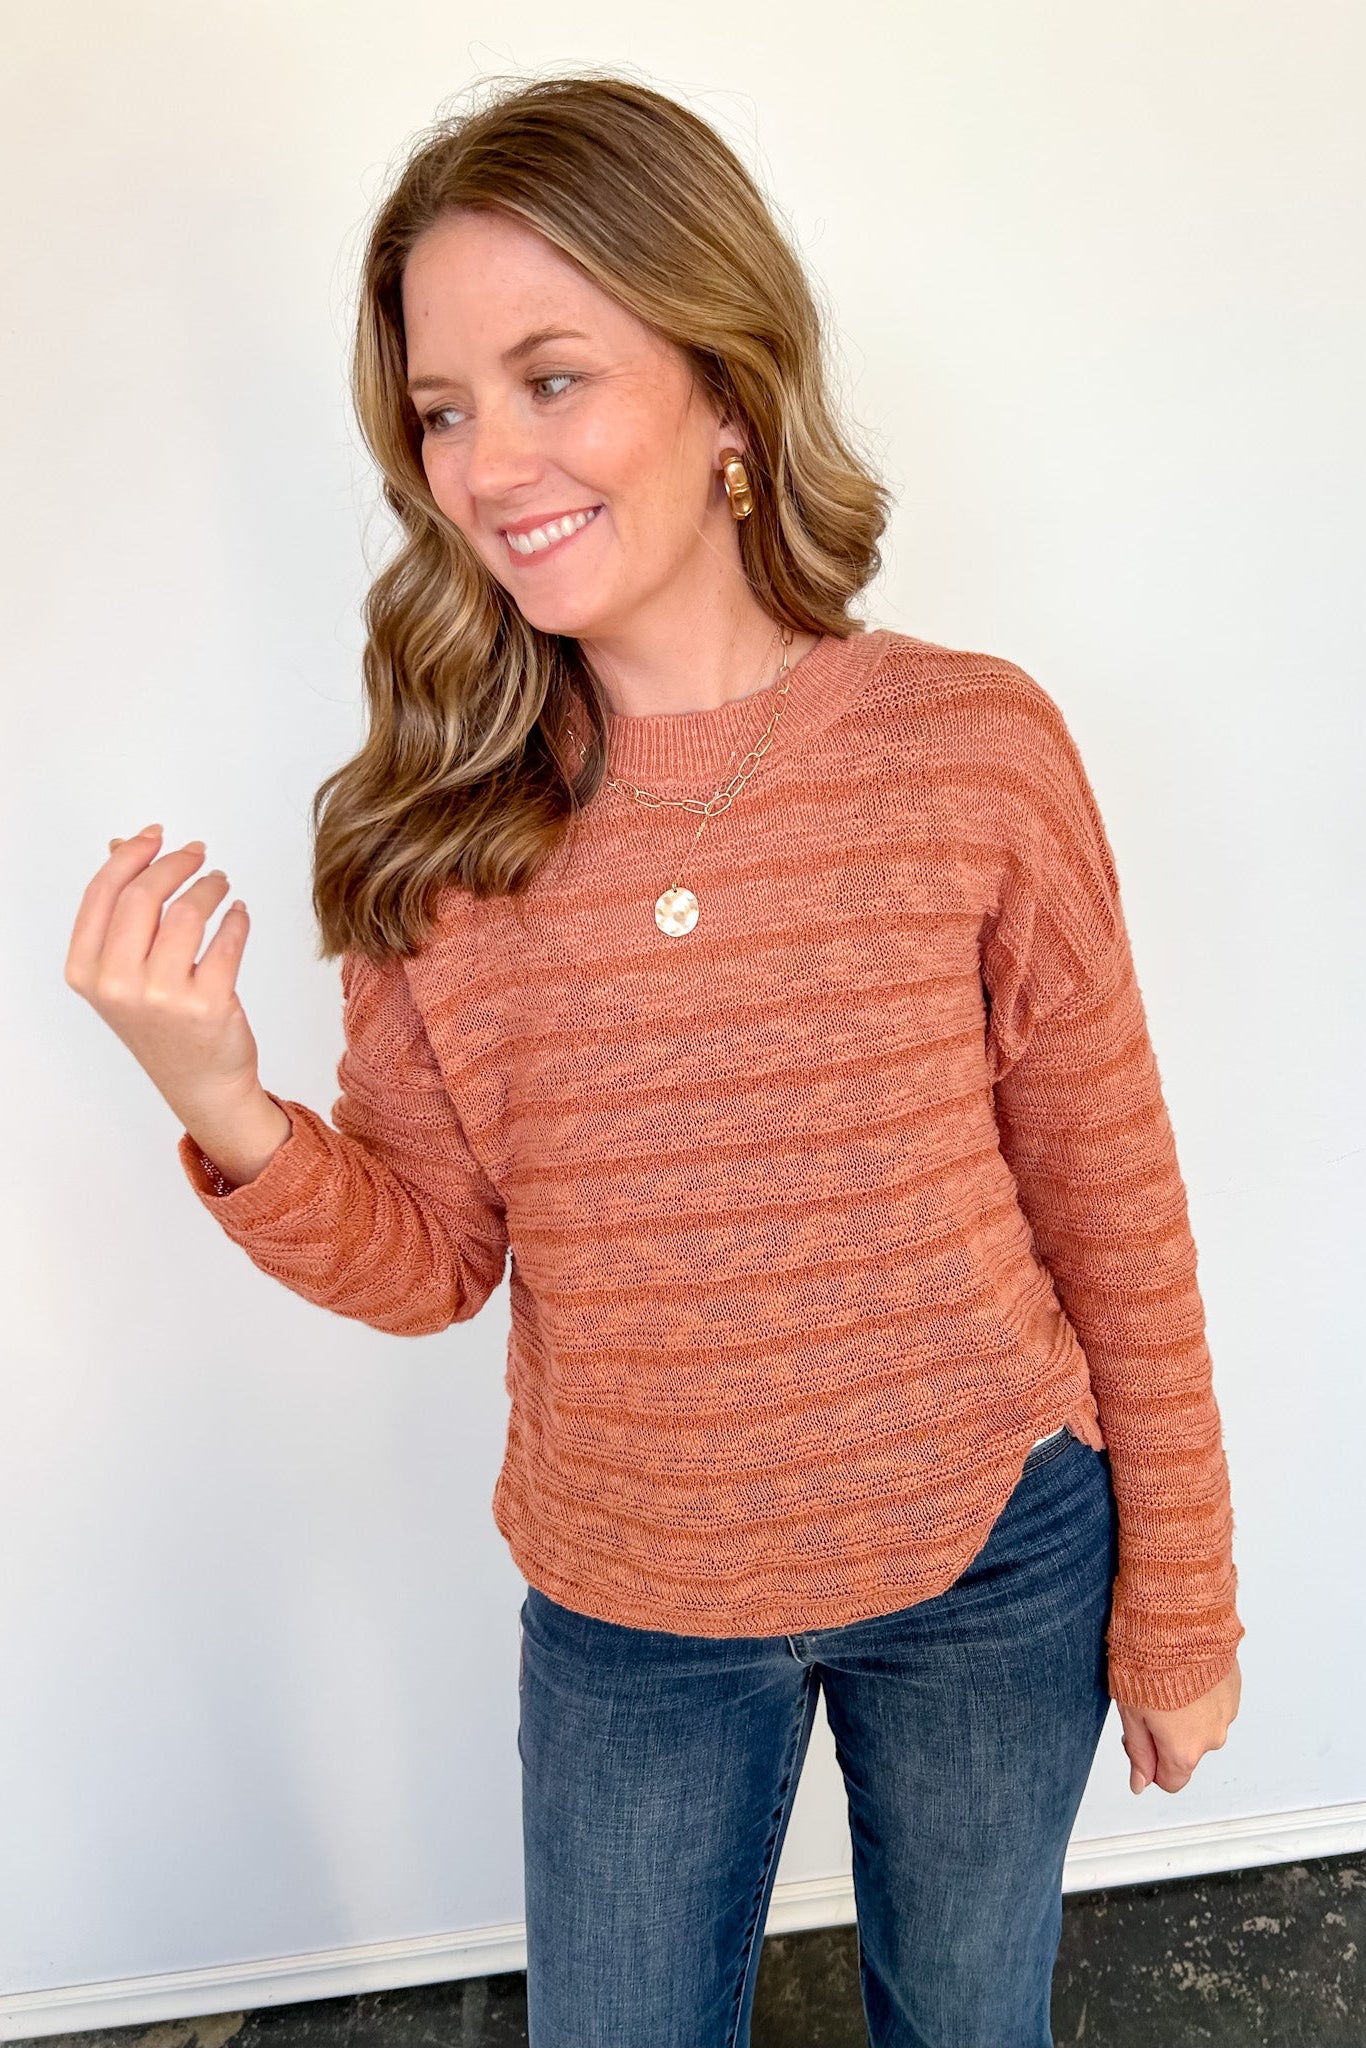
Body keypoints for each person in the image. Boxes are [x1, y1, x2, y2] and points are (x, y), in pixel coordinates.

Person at [66, 70, 1243, 2048]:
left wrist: (1183, 1606)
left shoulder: (968, 748)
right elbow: (435, 1253)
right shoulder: (431, 833)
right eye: (441, 408)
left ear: (723, 386)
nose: (484, 460)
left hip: (991, 1550)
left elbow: (1109, 1195)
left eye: (549, 377)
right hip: (630, 1600)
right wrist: (222, 1099)